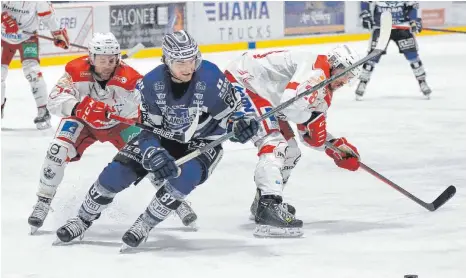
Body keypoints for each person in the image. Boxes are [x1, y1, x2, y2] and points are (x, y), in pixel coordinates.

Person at [54, 30, 259, 248]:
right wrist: (153, 152)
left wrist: (240, 125)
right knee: (116, 173)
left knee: (185, 176)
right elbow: (146, 130)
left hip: (204, 139)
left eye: (192, 60)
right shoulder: (150, 84)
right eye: (180, 62)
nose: (189, 68)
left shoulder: (210, 76)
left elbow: (232, 114)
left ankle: (144, 224)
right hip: (162, 136)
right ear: (167, 61)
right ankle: (82, 219)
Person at [28, 32, 196, 234]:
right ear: (91, 58)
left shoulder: (131, 78)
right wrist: (80, 108)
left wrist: (123, 110)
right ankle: (43, 201)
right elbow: (54, 100)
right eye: (102, 60)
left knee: (151, 156)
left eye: (112, 59)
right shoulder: (74, 71)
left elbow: (146, 106)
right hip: (83, 123)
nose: (108, 65)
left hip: (119, 126)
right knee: (57, 150)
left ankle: (174, 201)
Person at [224, 45, 362, 237]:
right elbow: (291, 107)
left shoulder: (325, 88)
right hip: (244, 80)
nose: (346, 80)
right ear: (334, 64)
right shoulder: (317, 69)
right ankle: (268, 206)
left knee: (291, 151)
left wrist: (335, 147)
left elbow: (309, 134)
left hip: (267, 96)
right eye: (345, 73)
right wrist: (313, 119)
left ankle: (263, 201)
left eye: (350, 77)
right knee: (274, 144)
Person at [1, 1, 70, 129]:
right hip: (3, 37)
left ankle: (43, 110)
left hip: (28, 38)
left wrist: (57, 34)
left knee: (33, 73)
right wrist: (3, 17)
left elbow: (48, 17)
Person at [356, 1, 432, 100]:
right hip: (381, 27)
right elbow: (364, 2)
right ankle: (362, 82)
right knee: (372, 57)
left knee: (412, 56)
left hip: (402, 27)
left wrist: (414, 21)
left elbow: (412, 6)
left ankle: (422, 82)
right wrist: (366, 15)